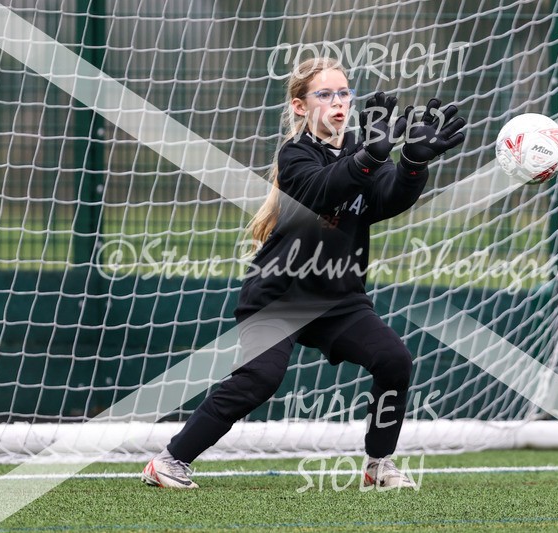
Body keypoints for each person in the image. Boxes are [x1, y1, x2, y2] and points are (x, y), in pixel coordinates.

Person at [141, 57, 465, 489]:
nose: (338, 103)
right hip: (279, 296)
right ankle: (169, 460)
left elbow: (387, 199)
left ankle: (378, 465)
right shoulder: (295, 155)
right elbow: (323, 189)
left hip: (338, 299)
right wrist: (370, 154)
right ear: (299, 106)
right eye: (325, 94)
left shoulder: (360, 150)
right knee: (261, 378)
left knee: (394, 360)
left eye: (344, 93)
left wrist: (411, 163)